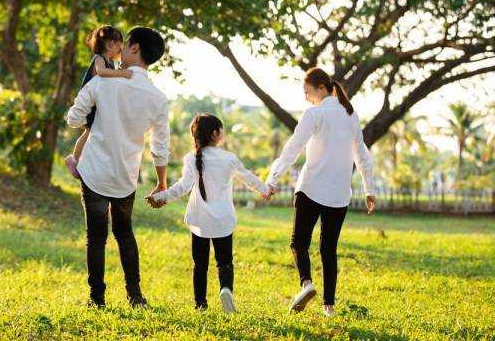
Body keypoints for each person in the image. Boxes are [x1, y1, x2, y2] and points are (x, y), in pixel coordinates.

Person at [66, 27, 169, 308]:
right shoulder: (158, 98)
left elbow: (73, 120)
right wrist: (161, 183)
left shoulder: (102, 82)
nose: (119, 47)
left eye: (124, 43)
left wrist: (93, 119)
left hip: (95, 173)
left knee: (96, 238)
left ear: (134, 47)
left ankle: (97, 299)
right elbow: (159, 148)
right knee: (124, 234)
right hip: (126, 176)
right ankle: (135, 296)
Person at [266, 67, 376, 317]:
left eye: (308, 92)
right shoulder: (350, 114)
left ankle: (306, 284)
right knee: (329, 250)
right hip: (339, 195)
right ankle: (329, 307)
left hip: (311, 189)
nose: (306, 98)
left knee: (298, 243)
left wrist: (272, 179)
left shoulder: (314, 113)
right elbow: (361, 154)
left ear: (322, 88)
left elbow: (293, 148)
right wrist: (368, 188)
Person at [146, 114, 270, 313]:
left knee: (200, 264)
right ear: (215, 134)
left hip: (199, 220)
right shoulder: (228, 158)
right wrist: (264, 190)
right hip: (223, 220)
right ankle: (226, 289)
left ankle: (200, 304)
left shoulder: (190, 158)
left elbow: (182, 187)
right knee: (224, 261)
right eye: (221, 129)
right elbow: (247, 177)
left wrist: (162, 197)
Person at [65, 25, 134, 179]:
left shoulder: (110, 62)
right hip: (90, 104)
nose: (121, 50)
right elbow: (102, 72)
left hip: (98, 104)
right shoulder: (99, 59)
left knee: (92, 133)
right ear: (111, 45)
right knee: (88, 132)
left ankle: (81, 161)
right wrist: (122, 73)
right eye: (120, 46)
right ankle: (73, 159)